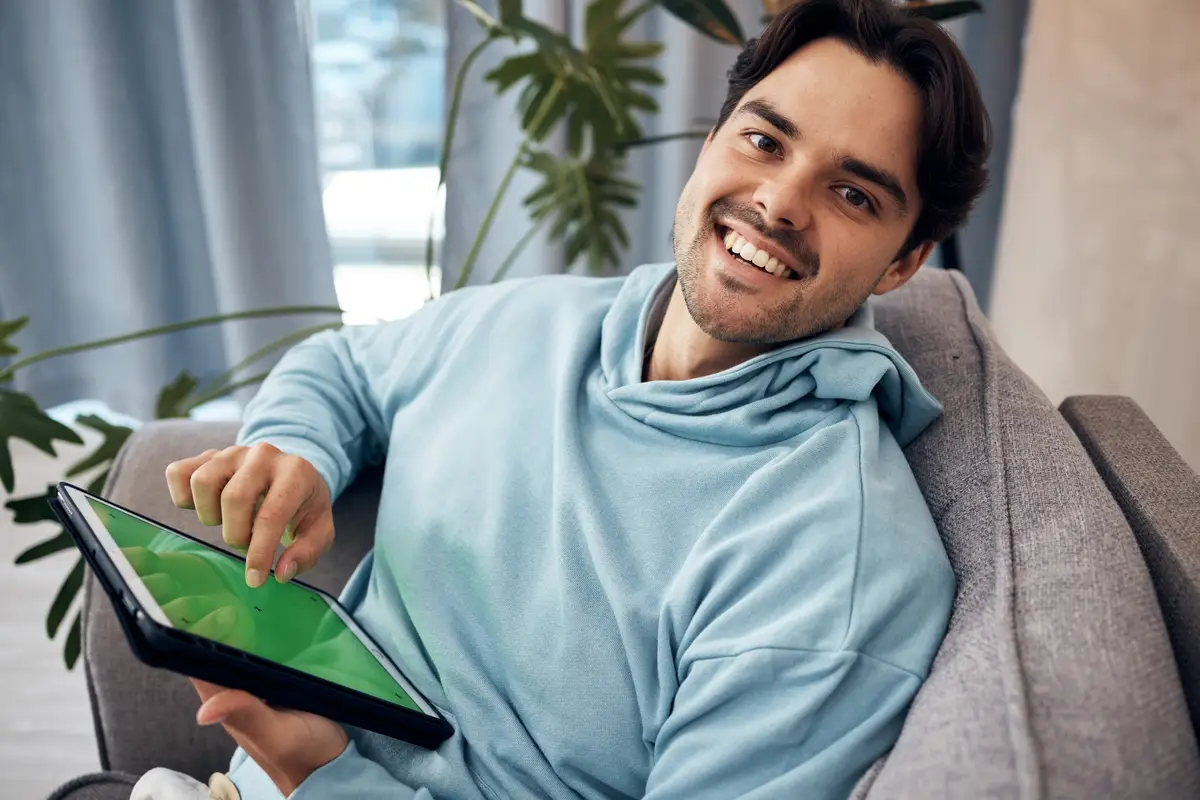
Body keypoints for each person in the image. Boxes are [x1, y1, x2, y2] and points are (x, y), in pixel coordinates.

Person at [131, 0, 990, 797]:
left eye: (852, 193)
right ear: (711, 138)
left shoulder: (831, 569)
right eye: (764, 142)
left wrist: (326, 774)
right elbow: (346, 368)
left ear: (903, 261)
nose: (777, 202)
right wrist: (297, 452)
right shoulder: (536, 319)